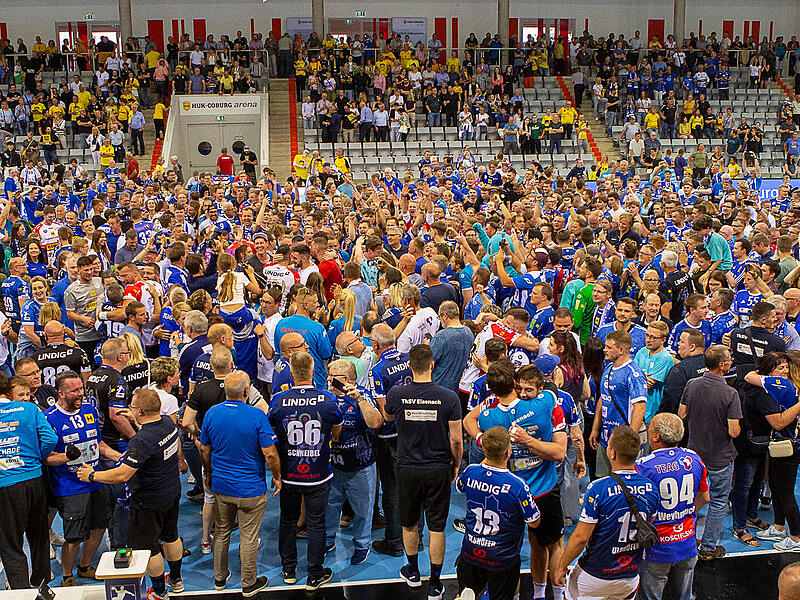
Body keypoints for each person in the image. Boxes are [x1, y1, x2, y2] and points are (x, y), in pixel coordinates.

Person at [77, 388, 185, 600]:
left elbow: (123, 474)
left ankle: (160, 591)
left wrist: (92, 475)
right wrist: (136, 421)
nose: (130, 409)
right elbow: (170, 444)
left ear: (141, 411)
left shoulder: (140, 441)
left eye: (133, 407)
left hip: (148, 500)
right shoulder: (167, 423)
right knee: (171, 535)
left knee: (150, 547)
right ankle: (177, 579)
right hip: (171, 490)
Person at [382, 344, 462, 600]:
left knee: (409, 523)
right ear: (432, 365)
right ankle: (435, 584)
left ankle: (413, 573)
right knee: (437, 527)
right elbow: (457, 440)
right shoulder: (449, 397)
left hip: (406, 468)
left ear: (409, 367)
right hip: (438, 468)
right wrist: (456, 464)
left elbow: (386, 417)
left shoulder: (397, 393)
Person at [199, 370, 281, 597]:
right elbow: (270, 454)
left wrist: (208, 473)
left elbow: (205, 449)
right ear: (247, 391)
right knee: (249, 537)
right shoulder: (256, 416)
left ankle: (219, 579)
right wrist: (277, 476)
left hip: (222, 487)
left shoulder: (212, 414)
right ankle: (248, 583)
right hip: (250, 490)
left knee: (222, 532)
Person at [555, 425, 659, 600]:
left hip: (594, 575)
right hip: (630, 576)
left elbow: (581, 538)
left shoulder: (598, 488)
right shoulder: (651, 488)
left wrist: (561, 566)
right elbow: (649, 526)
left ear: (612, 454)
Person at [269, 351, 343, 591]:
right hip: (318, 473)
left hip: (289, 473)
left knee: (288, 520)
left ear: (291, 373)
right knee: (316, 523)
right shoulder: (327, 399)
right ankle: (314, 574)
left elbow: (271, 436)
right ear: (313, 372)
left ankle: (288, 569)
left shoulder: (278, 400)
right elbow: (336, 431)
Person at [455, 426, 541, 600]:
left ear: (483, 449)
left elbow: (459, 487)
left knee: (465, 592)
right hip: (501, 560)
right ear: (508, 452)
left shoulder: (471, 471)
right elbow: (534, 521)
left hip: (471, 552)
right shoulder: (517, 485)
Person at [44, 370, 110, 586]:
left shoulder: (89, 409)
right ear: (61, 393)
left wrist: (122, 458)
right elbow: (47, 458)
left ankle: (85, 565)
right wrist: (65, 456)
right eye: (74, 391)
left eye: (80, 388)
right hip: (70, 487)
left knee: (99, 526)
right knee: (73, 537)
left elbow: (98, 444)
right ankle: (66, 575)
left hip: (96, 479)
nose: (80, 393)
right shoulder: (49, 419)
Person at [636, 413, 710, 600]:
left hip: (657, 548)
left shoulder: (643, 467)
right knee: (684, 596)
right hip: (687, 542)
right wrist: (686, 512)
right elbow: (705, 497)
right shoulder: (694, 458)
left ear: (655, 436)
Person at [679, 344, 741, 559]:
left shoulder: (691, 384)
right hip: (719, 458)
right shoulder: (730, 393)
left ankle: (685, 541)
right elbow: (734, 431)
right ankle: (707, 548)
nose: (731, 362)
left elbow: (681, 415)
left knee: (690, 499)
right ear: (723, 365)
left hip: (694, 456)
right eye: (729, 360)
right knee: (717, 501)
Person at [0, 372, 57, 589]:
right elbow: (51, 438)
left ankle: (19, 590)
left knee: (10, 542)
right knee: (39, 533)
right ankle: (43, 582)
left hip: (5, 484)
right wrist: (35, 457)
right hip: (34, 479)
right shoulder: (30, 409)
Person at [324, 359, 382, 565]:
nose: (329, 380)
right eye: (329, 376)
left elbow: (376, 423)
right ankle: (328, 541)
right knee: (331, 506)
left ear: (346, 380)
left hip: (361, 465)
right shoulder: (326, 397)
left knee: (362, 509)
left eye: (333, 378)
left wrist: (359, 400)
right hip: (334, 466)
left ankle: (362, 545)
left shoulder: (363, 396)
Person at [744, 354, 800, 551]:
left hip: (790, 447)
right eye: (780, 368)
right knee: (775, 486)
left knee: (785, 492)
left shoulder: (783, 386)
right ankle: (778, 527)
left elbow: (779, 422)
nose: (784, 372)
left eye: (786, 367)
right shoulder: (783, 385)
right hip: (781, 444)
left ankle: (795, 538)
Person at [369, 323, 412, 557]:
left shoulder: (378, 369)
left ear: (375, 345)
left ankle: (395, 542)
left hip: (390, 436)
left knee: (392, 490)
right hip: (413, 432)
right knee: (414, 488)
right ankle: (416, 539)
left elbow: (386, 412)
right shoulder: (410, 358)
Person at [590, 331, 648, 477]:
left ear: (621, 350)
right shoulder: (608, 368)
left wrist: (630, 439)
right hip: (606, 438)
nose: (605, 350)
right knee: (603, 479)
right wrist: (595, 429)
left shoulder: (633, 374)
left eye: (609, 347)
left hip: (623, 440)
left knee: (625, 481)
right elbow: (603, 398)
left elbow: (640, 407)